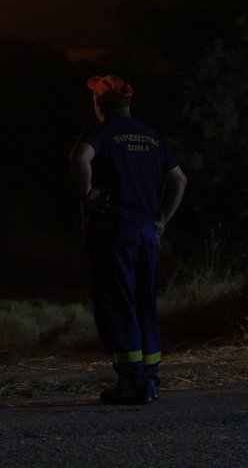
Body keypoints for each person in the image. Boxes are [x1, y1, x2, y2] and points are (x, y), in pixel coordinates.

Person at [69, 74, 187, 405]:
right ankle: (149, 379)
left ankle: (132, 383)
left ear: (98, 104)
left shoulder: (99, 133)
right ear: (128, 103)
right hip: (146, 235)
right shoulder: (152, 137)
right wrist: (161, 220)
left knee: (117, 305)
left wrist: (87, 194)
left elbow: (80, 158)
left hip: (114, 233)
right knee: (144, 303)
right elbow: (179, 179)